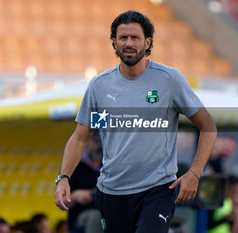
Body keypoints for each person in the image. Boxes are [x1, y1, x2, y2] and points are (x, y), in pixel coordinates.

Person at [55, 10, 217, 233]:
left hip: (157, 189)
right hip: (111, 192)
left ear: (147, 42)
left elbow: (208, 127)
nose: (128, 43)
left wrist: (195, 173)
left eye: (135, 38)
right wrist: (64, 178)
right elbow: (81, 137)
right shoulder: (100, 86)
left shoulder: (169, 80)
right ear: (114, 42)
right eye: (123, 38)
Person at [67, 133, 103, 233]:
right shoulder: (74, 167)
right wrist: (75, 196)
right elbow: (62, 201)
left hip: (106, 211)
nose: (100, 145)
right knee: (96, 217)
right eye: (96, 141)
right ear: (87, 142)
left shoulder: (108, 165)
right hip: (82, 215)